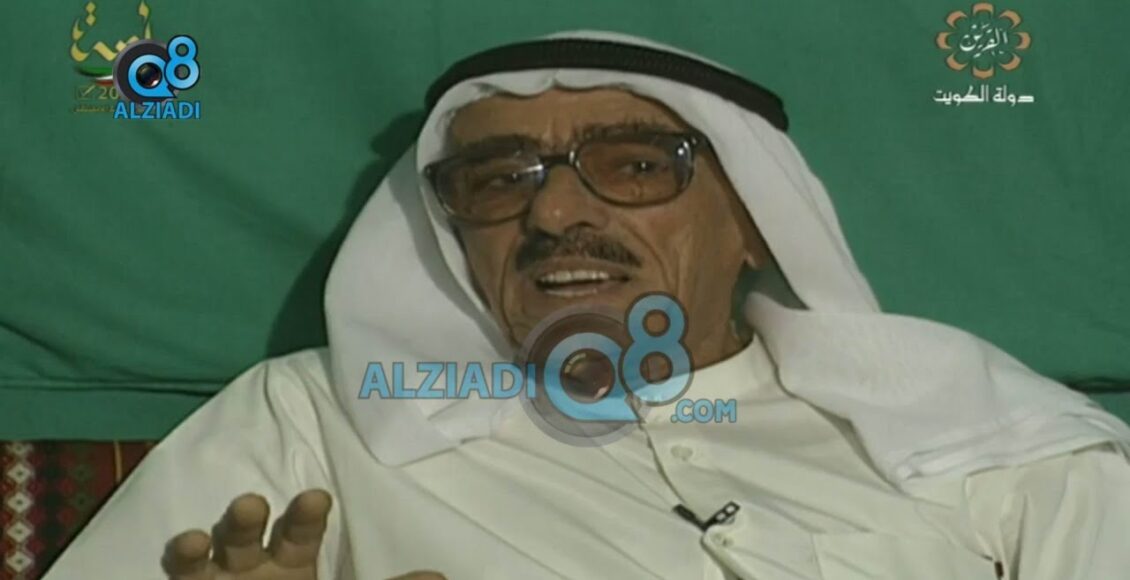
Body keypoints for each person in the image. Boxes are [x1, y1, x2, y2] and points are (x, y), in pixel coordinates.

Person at [45, 31, 1130, 580]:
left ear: (757, 221)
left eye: (635, 166)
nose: (554, 213)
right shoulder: (310, 416)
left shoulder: (983, 429)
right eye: (496, 180)